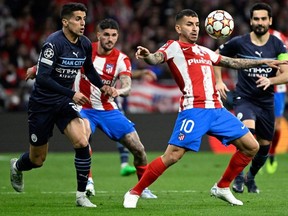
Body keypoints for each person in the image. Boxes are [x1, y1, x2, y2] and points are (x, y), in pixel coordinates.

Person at [122, 9, 287, 208]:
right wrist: (148, 56)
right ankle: (135, 191)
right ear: (178, 28)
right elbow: (156, 58)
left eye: (197, 24)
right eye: (189, 24)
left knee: (252, 146)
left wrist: (264, 61)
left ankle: (222, 187)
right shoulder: (174, 47)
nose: (194, 28)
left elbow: (232, 62)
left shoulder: (203, 51)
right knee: (173, 155)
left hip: (217, 110)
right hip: (194, 109)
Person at [9, 2, 116, 208]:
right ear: (65, 22)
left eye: (84, 19)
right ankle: (18, 166)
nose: (82, 23)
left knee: (82, 142)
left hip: (64, 102)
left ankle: (81, 195)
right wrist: (72, 93)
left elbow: (89, 70)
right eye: (77, 19)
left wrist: (103, 86)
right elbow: (43, 78)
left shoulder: (84, 43)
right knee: (37, 160)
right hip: (42, 104)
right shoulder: (53, 43)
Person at [214, 3, 288, 194]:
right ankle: (237, 177)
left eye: (264, 19)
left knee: (264, 146)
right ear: (251, 21)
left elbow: (286, 74)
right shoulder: (239, 42)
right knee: (247, 136)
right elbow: (217, 57)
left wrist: (271, 80)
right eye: (256, 19)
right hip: (244, 98)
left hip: (266, 101)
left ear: (270, 21)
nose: (260, 22)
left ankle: (250, 177)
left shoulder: (277, 44)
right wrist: (219, 81)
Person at [266, 29, 288, 174]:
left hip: (278, 87)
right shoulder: (251, 38)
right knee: (254, 121)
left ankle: (271, 153)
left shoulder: (280, 38)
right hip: (260, 84)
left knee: (277, 125)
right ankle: (257, 154)